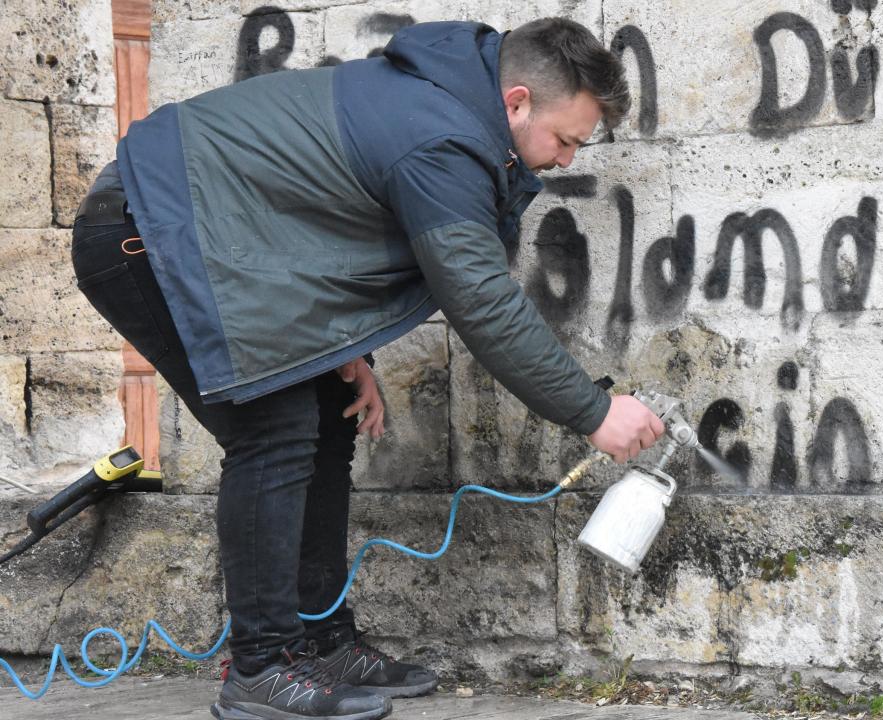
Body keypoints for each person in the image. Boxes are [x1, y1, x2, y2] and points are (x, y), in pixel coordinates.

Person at [70, 17, 664, 720]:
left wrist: (342, 345)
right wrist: (593, 413)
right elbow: (479, 299)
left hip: (219, 239)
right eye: (565, 139)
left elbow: (307, 201)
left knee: (326, 410)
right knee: (276, 426)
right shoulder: (443, 136)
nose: (565, 160)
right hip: (145, 231)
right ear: (517, 102)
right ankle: (260, 668)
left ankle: (318, 644)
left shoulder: (445, 108)